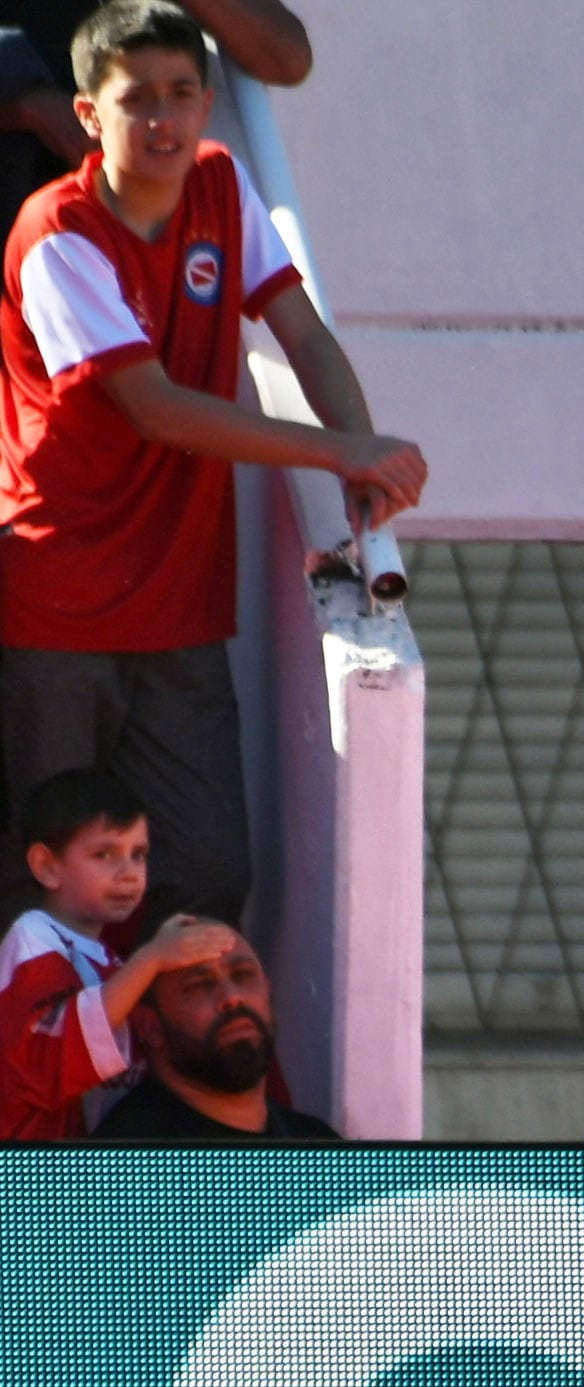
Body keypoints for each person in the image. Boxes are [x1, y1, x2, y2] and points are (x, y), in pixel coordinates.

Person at [0, 0, 427, 926]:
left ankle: (148, 1073)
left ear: (206, 103)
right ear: (86, 115)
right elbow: (153, 408)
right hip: (55, 612)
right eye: (137, 99)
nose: (163, 119)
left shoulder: (222, 184)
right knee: (45, 894)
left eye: (183, 94)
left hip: (181, 611)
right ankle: (52, 1074)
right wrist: (339, 448)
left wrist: (361, 449)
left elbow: (303, 335)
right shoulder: (53, 231)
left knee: (202, 875)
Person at [0, 764, 230, 1139]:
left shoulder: (111, 962)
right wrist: (153, 958)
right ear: (46, 867)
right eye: (105, 855)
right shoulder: (31, 939)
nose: (128, 872)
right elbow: (51, 1053)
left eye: (138, 854)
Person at [2, 0, 310, 235]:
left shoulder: (222, 184)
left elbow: (287, 58)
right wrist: (31, 105)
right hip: (33, 213)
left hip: (151, 237)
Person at [91, 923, 334, 1140]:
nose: (232, 998)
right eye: (199, 985)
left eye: (242, 975)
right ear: (150, 1026)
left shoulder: (317, 1143)